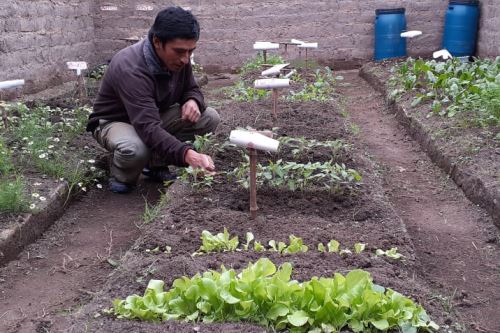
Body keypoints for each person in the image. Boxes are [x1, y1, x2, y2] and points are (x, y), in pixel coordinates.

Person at [86, 7, 220, 193]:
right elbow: (147, 127)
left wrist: (192, 100)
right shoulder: (131, 68)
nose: (185, 59)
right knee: (135, 149)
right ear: (157, 42)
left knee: (208, 117)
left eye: (190, 51)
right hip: (116, 121)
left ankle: (154, 164)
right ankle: (121, 174)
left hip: (150, 115)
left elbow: (191, 88)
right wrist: (187, 155)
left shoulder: (180, 59)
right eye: (180, 51)